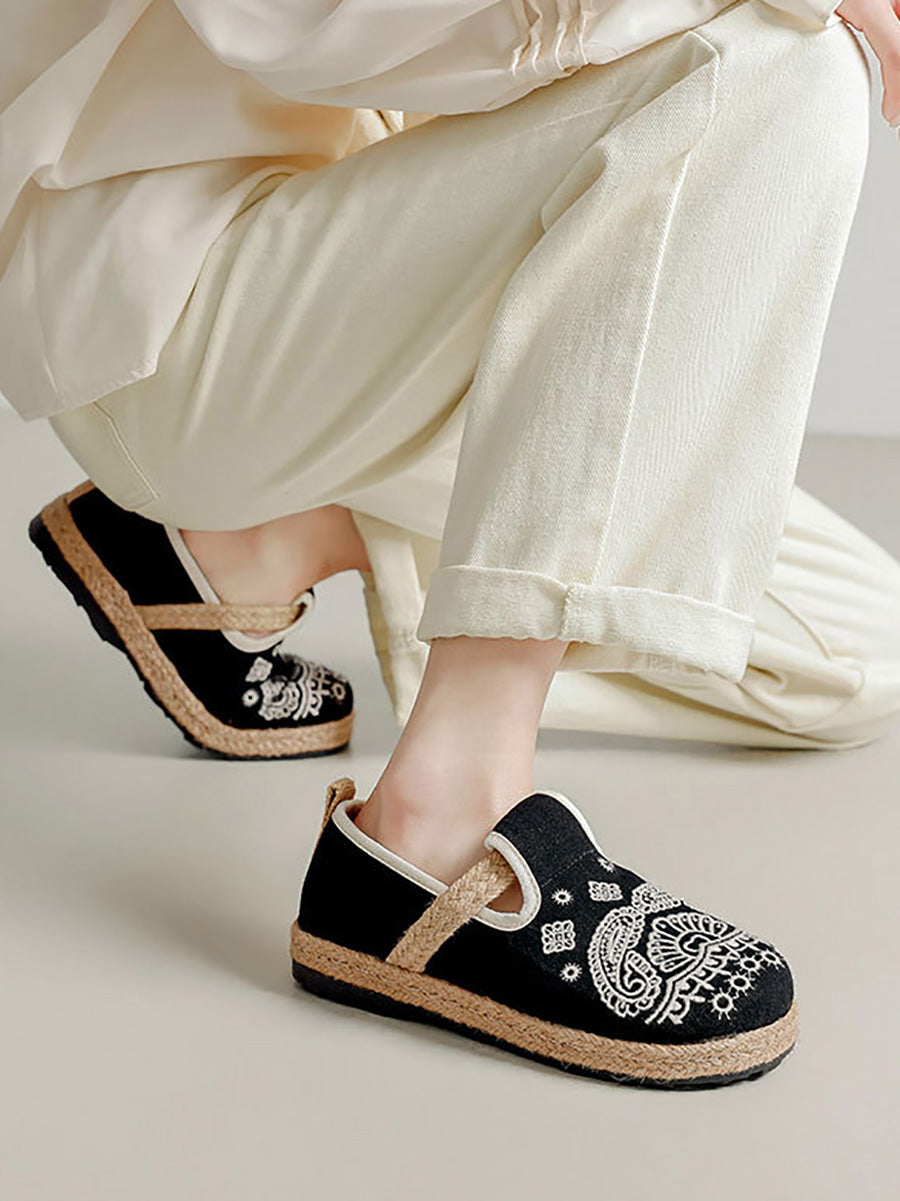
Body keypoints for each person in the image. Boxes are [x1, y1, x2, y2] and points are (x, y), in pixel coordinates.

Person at [3, 0, 900, 1086]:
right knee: (774, 60)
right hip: (184, 295)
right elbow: (323, 28)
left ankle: (242, 546)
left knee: (858, 654)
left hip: (404, 292)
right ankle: (440, 814)